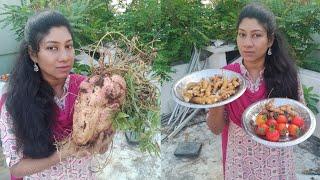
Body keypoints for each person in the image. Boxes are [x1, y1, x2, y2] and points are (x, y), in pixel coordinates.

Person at [0, 10, 109, 179]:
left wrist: (104, 139)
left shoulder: (87, 89)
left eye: (68, 46)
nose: (64, 57)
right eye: (52, 48)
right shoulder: (16, 102)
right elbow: (16, 168)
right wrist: (62, 153)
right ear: (33, 54)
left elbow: (99, 148)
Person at [206, 3, 304, 180]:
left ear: (270, 40)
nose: (247, 43)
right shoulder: (226, 77)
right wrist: (216, 102)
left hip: (277, 162)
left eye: (256, 35)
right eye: (242, 34)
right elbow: (215, 129)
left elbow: (299, 120)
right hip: (240, 163)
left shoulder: (287, 75)